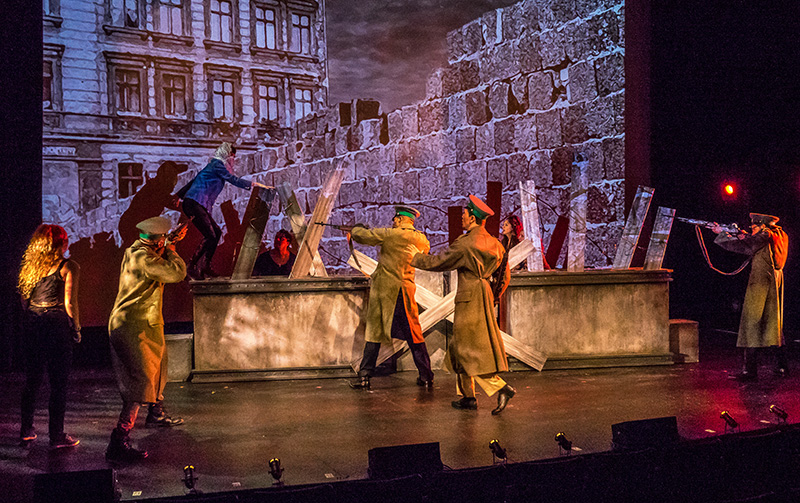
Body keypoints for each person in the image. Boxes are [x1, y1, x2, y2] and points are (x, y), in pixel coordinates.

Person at [411, 195, 515, 414]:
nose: (462, 217)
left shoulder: (466, 243)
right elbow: (505, 277)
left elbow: (438, 262)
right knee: (461, 347)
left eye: (464, 214)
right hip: (484, 296)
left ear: (473, 218)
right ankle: (468, 397)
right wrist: (493, 295)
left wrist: (415, 257)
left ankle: (501, 388)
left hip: (469, 299)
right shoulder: (495, 244)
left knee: (468, 350)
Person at [106, 216, 187, 463]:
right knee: (140, 382)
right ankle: (118, 441)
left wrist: (168, 240)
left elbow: (154, 254)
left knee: (156, 370)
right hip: (136, 326)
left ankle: (156, 412)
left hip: (140, 324)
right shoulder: (145, 258)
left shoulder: (135, 250)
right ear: (157, 240)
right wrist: (172, 250)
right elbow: (176, 273)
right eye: (162, 238)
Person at [345, 206, 435, 390]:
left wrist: (354, 231)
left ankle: (364, 375)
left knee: (375, 332)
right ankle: (426, 375)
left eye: (395, 218)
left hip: (385, 292)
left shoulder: (390, 234)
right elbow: (424, 252)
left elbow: (364, 236)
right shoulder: (421, 238)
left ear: (401, 219)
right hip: (406, 291)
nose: (393, 221)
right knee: (414, 333)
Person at [17, 224, 81, 448]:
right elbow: (69, 303)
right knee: (58, 383)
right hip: (55, 326)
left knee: (32, 380)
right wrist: (76, 328)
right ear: (61, 243)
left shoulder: (30, 267)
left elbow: (24, 301)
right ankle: (56, 436)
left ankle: (26, 429)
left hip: (33, 324)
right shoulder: (68, 266)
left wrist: (33, 318)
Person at [175, 142, 271, 279]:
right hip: (195, 203)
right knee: (210, 235)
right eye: (232, 156)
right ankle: (192, 266)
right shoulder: (217, 165)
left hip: (197, 204)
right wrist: (253, 184)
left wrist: (179, 195)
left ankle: (204, 266)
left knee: (216, 233)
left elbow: (194, 180)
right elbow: (232, 179)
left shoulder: (212, 165)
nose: (233, 160)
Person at [712, 213, 789, 381]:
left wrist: (722, 234)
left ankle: (749, 371)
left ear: (762, 225)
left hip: (761, 282)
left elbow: (746, 246)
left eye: (753, 227)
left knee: (751, 323)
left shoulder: (766, 234)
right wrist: (742, 235)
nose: (751, 230)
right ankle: (782, 366)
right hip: (772, 282)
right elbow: (753, 242)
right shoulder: (779, 234)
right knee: (773, 325)